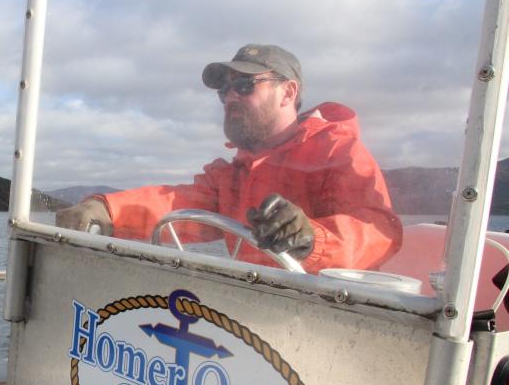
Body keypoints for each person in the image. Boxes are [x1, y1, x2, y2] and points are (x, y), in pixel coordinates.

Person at [55, 44, 402, 274]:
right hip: (250, 317)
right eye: (225, 90)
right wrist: (104, 209)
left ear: (289, 92)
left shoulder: (337, 152)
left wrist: (310, 239)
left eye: (246, 86)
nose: (229, 97)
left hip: (325, 321)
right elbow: (177, 204)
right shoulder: (235, 174)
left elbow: (378, 232)